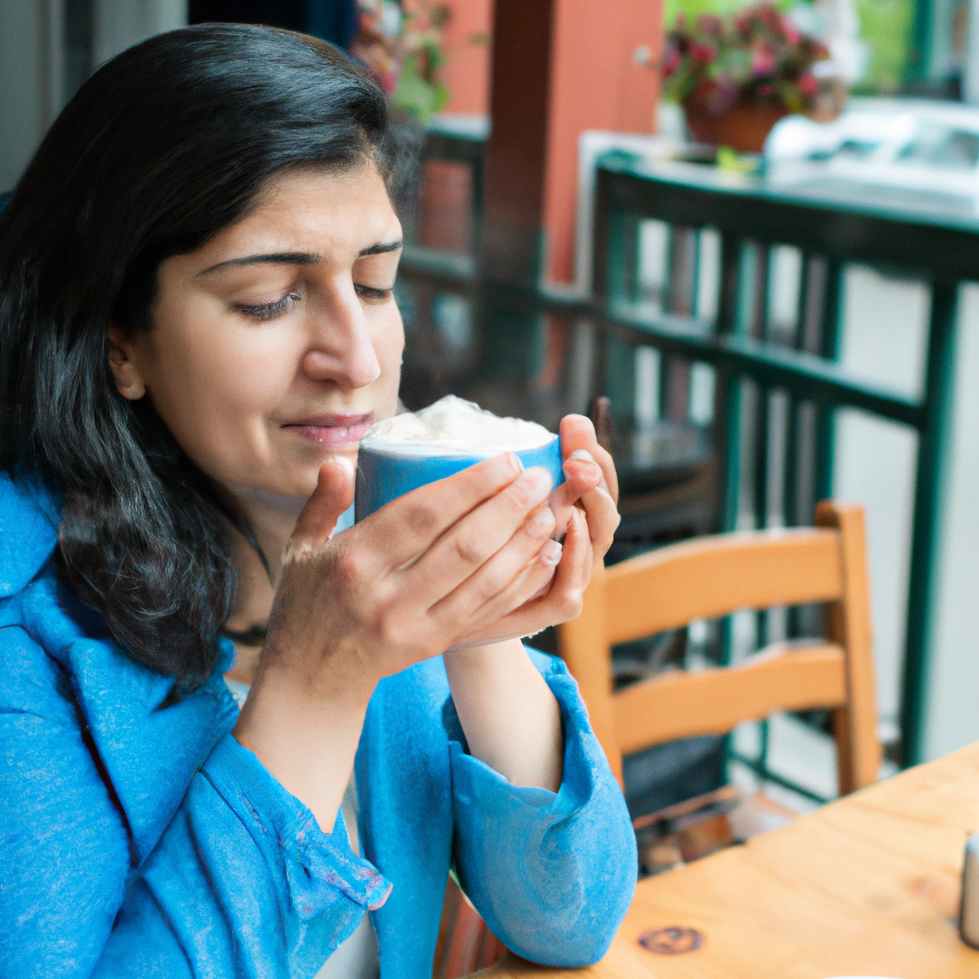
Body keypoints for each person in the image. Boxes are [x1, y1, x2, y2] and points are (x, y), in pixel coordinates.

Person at [0, 24, 637, 978]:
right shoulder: (26, 648)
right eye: (268, 300)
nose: (360, 357)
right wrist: (316, 681)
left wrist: (482, 631)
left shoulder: (363, 533)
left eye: (375, 283)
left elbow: (567, 919)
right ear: (118, 338)